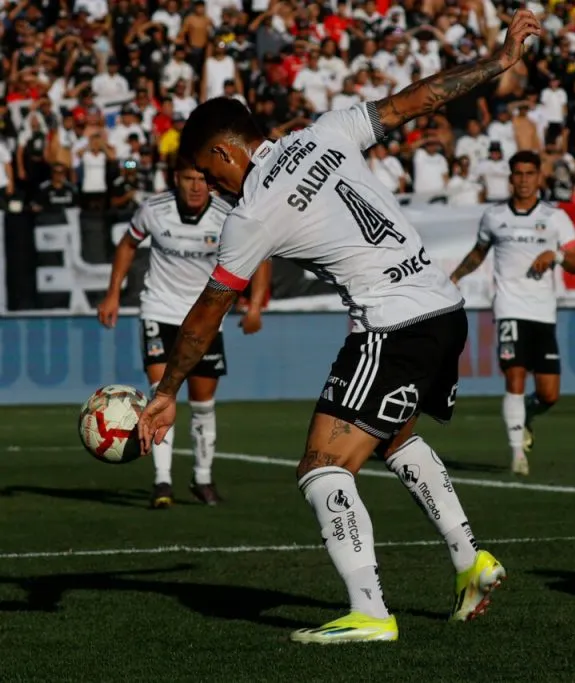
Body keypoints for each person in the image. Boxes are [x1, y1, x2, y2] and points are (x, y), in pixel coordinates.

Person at [136, 10, 544, 645]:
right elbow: (420, 99)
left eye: (211, 173)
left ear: (222, 151)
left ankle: (370, 611)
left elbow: (207, 310)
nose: (214, 188)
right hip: (443, 307)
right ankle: (471, 561)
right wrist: (500, 61)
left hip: (391, 323)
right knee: (393, 437)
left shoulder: (253, 214)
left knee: (322, 464)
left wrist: (167, 392)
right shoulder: (324, 131)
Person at [98, 162, 270, 508]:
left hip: (205, 317)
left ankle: (202, 479)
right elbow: (128, 245)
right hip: (159, 310)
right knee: (162, 394)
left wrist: (255, 305)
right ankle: (162, 482)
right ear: (176, 179)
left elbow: (262, 255)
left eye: (201, 180)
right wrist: (113, 292)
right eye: (189, 179)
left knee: (203, 403)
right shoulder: (154, 209)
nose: (195, 187)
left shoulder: (228, 215)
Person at [449, 150, 575, 475]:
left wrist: (555, 256)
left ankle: (527, 415)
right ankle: (517, 456)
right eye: (518, 174)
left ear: (539, 177)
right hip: (509, 307)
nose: (524, 180)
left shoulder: (556, 218)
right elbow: (479, 252)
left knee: (549, 394)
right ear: (510, 178)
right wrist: (453, 278)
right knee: (514, 374)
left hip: (543, 312)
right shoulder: (494, 216)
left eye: (530, 173)